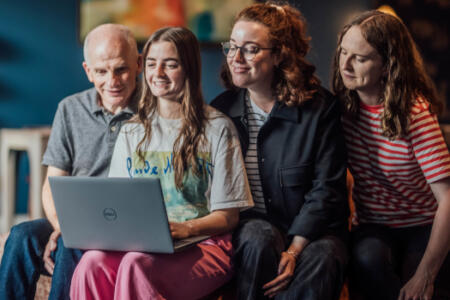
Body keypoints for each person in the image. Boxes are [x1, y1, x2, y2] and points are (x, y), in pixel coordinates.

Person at [69, 26, 253, 300]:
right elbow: (119, 207)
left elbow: (228, 216)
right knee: (90, 263)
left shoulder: (218, 128)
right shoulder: (132, 132)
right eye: (152, 64)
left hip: (204, 245)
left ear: (188, 68)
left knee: (136, 264)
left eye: (171, 65)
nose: (158, 74)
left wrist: (186, 228)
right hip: (143, 244)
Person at [210, 3, 349, 300]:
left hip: (314, 231)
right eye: (231, 47)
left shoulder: (320, 109)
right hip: (255, 228)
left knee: (324, 255)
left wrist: (295, 248)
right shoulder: (220, 111)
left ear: (279, 54)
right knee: (258, 237)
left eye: (249, 49)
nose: (235, 58)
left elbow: (327, 189)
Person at [0, 24, 142, 300]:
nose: (112, 81)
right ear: (88, 71)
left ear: (138, 64)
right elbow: (52, 184)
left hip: (127, 222)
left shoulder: (156, 109)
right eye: (101, 71)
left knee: (71, 242)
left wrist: (69, 234)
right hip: (76, 219)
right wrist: (60, 226)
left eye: (121, 69)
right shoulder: (70, 108)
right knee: (20, 236)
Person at [332, 10, 450, 300]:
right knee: (367, 260)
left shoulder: (415, 113)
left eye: (359, 58)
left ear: (387, 66)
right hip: (372, 225)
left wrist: (425, 275)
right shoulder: (341, 109)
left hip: (422, 223)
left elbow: (448, 198)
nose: (345, 65)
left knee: (418, 284)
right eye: (343, 52)